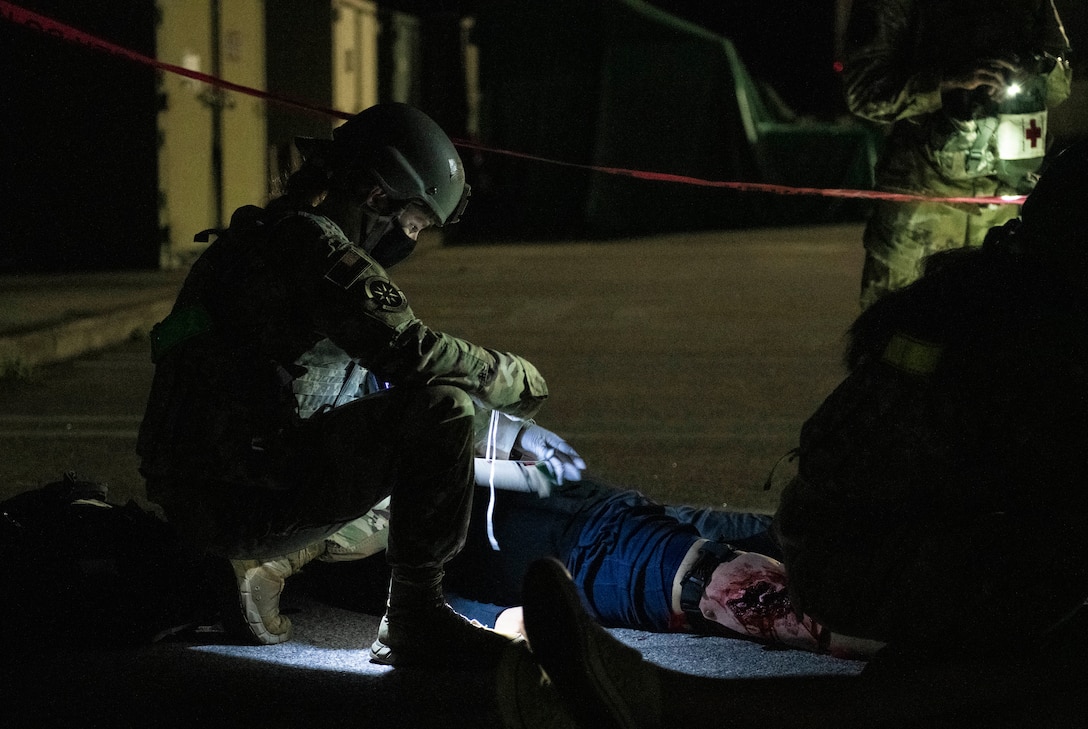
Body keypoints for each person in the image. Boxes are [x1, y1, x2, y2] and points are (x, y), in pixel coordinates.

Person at [508, 143, 1088, 727]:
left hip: (855, 538)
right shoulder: (1036, 333)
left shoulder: (988, 284)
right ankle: (675, 703)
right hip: (886, 562)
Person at [135, 102, 585, 668]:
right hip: (239, 502)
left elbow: (366, 388)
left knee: (428, 463)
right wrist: (513, 376)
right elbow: (414, 353)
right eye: (415, 224)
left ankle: (264, 567)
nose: (412, 239)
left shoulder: (265, 236)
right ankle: (414, 620)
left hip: (209, 488)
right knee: (441, 420)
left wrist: (502, 436)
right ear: (378, 199)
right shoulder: (314, 249)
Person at [307, 470, 884, 659]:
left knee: (765, 550)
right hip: (594, 545)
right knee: (734, 585)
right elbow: (426, 607)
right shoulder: (339, 554)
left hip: (594, 518)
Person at [842, 0, 1072, 309]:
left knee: (999, 344)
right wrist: (947, 81)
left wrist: (1033, 67)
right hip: (924, 209)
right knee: (900, 339)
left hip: (1007, 208)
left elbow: (1059, 84)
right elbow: (863, 92)